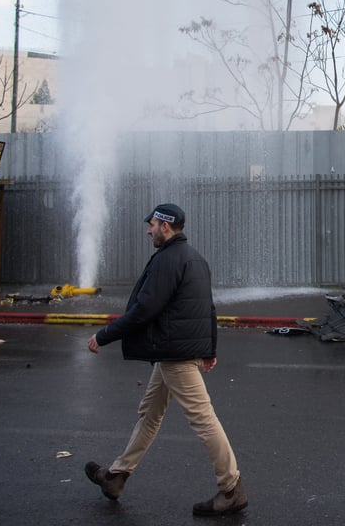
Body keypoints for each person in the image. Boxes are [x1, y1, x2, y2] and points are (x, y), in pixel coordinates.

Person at [84, 203, 247, 518]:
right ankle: (116, 477)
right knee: (150, 414)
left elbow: (145, 309)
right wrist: (210, 348)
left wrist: (104, 335)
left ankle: (231, 489)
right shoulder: (195, 258)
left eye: (152, 225)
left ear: (166, 227)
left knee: (203, 418)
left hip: (174, 354)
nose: (148, 230)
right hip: (175, 350)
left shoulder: (167, 260)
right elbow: (208, 308)